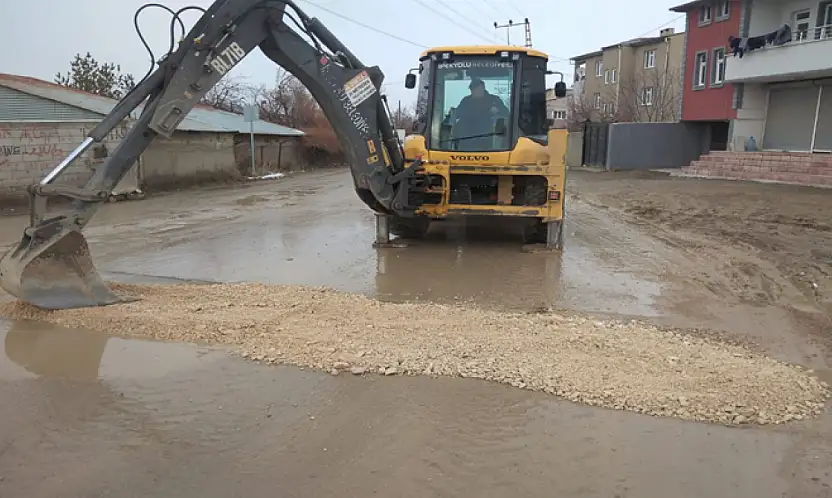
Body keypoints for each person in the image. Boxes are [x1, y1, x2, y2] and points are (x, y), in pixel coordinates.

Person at [451, 77, 509, 148]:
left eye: (475, 89)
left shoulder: (494, 100)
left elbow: (506, 113)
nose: (473, 91)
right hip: (467, 139)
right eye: (471, 89)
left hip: (488, 138)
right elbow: (458, 114)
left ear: (482, 88)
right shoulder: (466, 101)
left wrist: (497, 111)